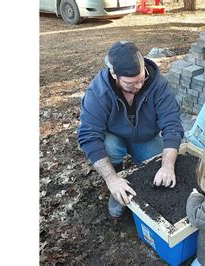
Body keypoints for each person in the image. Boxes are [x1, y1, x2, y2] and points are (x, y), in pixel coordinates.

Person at [77, 40, 184, 220]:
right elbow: (89, 135)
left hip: (145, 137)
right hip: (114, 136)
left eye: (141, 80)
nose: (138, 86)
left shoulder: (158, 84)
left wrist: (167, 165)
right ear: (114, 74)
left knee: (158, 168)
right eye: (130, 83)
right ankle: (118, 187)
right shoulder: (98, 91)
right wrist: (111, 179)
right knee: (108, 146)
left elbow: (172, 124)